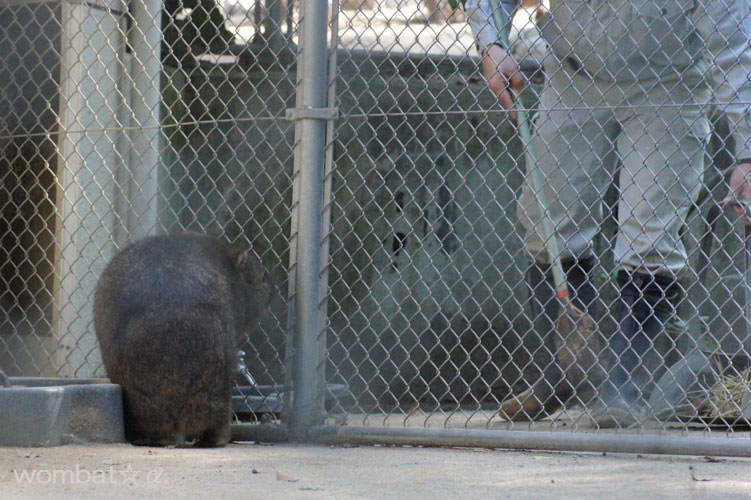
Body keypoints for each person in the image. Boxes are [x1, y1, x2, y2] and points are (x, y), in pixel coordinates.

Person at [465, 0, 751, 427]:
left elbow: (734, 47)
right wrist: (490, 43)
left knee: (649, 234)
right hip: (573, 73)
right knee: (548, 224)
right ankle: (566, 369)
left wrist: (749, 153)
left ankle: (622, 387)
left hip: (669, 81)